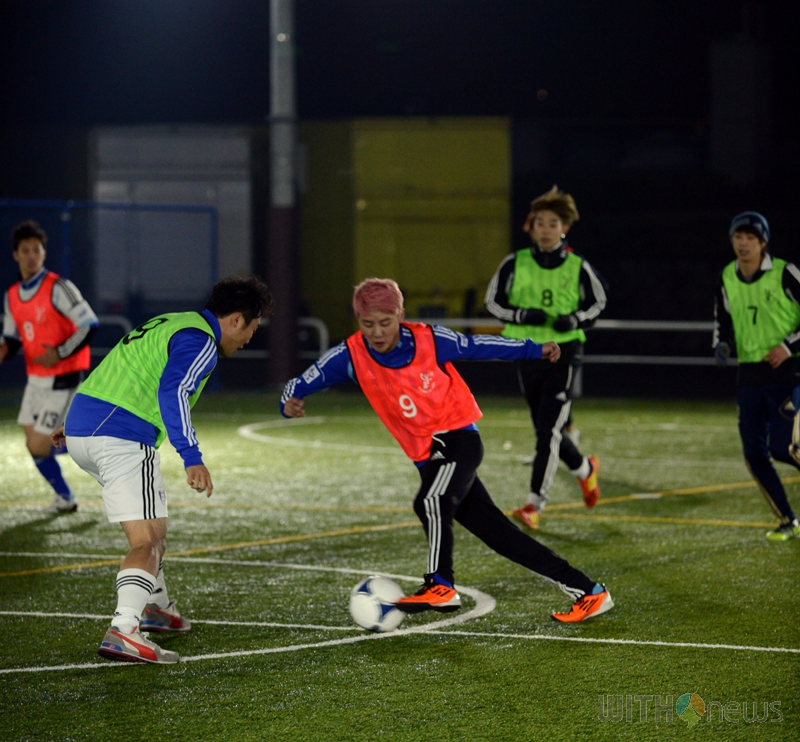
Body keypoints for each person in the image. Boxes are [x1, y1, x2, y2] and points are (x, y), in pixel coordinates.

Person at [281, 277, 614, 624]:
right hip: (429, 459)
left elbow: (478, 345)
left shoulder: (430, 339)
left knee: (430, 500)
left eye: (385, 322)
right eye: (368, 324)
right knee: (502, 536)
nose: (377, 332)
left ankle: (440, 584)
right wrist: (289, 401)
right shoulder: (350, 355)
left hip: (458, 441)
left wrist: (533, 348)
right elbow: (301, 382)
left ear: (401, 316)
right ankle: (589, 591)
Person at [52, 274, 275, 664]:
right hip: (121, 434)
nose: (248, 339)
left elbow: (121, 367)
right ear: (237, 319)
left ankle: (158, 608)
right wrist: (191, 455)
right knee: (147, 542)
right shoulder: (201, 341)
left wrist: (76, 423)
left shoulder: (174, 322)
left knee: (154, 528)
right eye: (253, 328)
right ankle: (124, 630)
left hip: (88, 426)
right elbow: (173, 391)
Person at [485, 185, 607, 529]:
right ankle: (585, 469)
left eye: (553, 223)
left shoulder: (578, 266)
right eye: (540, 222)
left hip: (564, 351)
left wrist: (576, 320)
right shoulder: (515, 262)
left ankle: (534, 504)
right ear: (531, 226)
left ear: (564, 227)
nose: (546, 229)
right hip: (526, 350)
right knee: (545, 427)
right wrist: (521, 315)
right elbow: (492, 301)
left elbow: (598, 302)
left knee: (548, 430)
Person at [0, 219, 99, 513]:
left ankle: (95, 443)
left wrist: (60, 352)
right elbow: (11, 340)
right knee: (32, 444)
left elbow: (89, 324)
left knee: (40, 445)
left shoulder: (59, 287)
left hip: (63, 378)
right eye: (25, 250)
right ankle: (66, 498)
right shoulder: (11, 296)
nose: (31, 256)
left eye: (37, 250)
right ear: (16, 255)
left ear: (44, 253)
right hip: (36, 380)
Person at [713, 211, 800, 541]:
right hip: (749, 377)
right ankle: (788, 520)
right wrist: (722, 343)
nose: (743, 243)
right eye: (738, 237)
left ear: (763, 243)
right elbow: (723, 320)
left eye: (750, 238)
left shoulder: (786, 272)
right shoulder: (727, 275)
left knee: (785, 448)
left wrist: (788, 347)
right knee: (753, 454)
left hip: (788, 373)